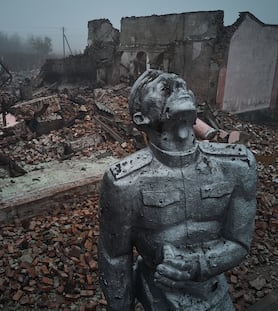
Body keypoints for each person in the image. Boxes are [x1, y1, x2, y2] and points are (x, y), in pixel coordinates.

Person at [98, 69, 257, 311]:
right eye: (156, 85)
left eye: (180, 83)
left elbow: (239, 242)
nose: (176, 83)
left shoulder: (237, 165)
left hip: (214, 292)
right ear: (140, 119)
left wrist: (197, 264)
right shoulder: (124, 182)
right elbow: (115, 258)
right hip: (157, 295)